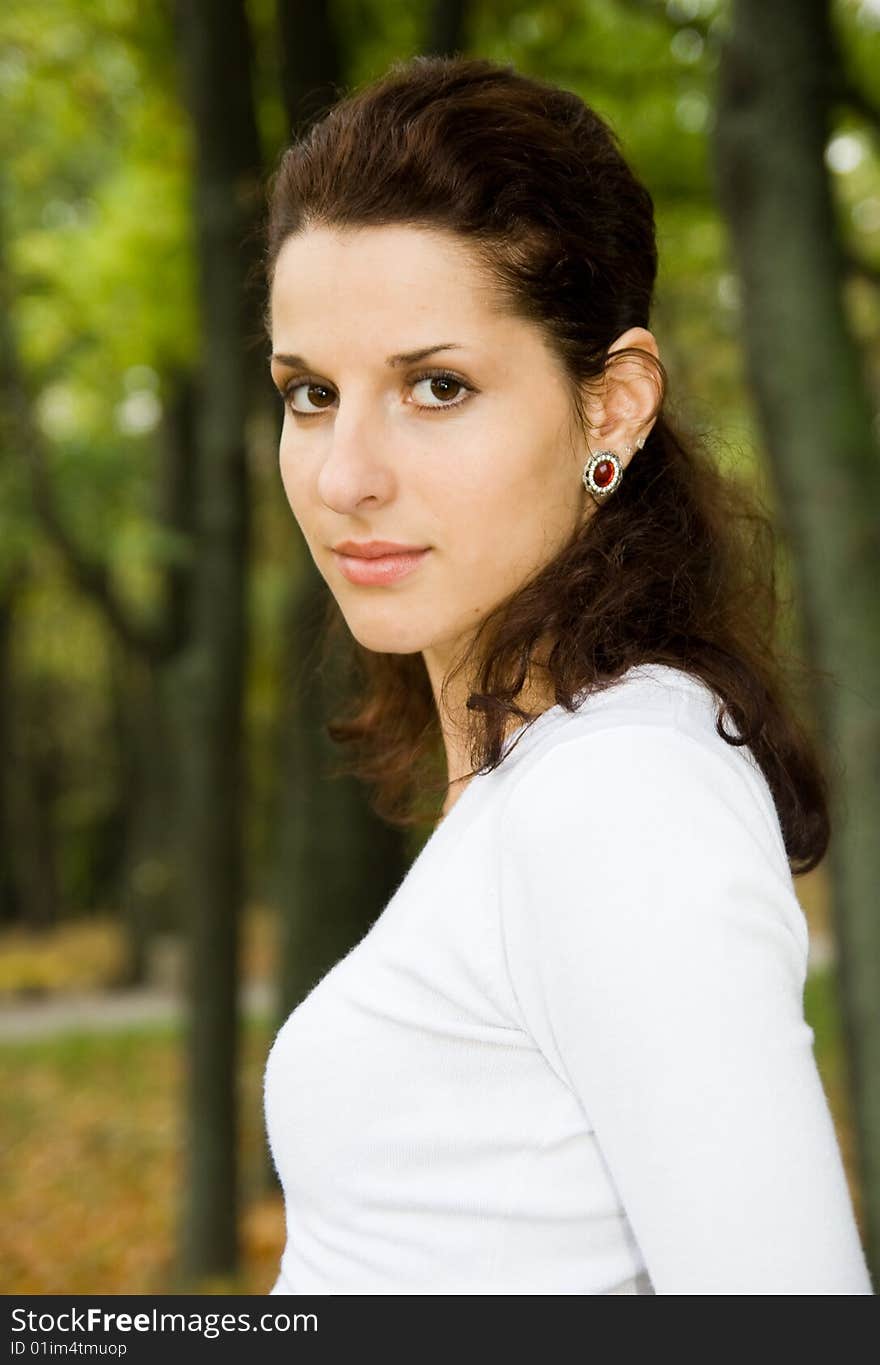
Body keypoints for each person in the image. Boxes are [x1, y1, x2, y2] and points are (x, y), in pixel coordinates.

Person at [260, 53, 874, 1294]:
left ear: (615, 406)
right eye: (312, 394)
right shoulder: (549, 770)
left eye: (437, 388)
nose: (344, 476)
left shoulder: (622, 798)